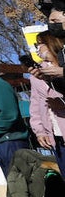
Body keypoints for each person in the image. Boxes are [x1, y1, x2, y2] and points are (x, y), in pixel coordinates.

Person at [30, 28, 65, 169]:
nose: (38, 48)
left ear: (52, 43)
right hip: (55, 135)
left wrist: (62, 104)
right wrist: (40, 131)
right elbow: (35, 104)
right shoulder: (36, 74)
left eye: (40, 44)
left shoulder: (62, 67)